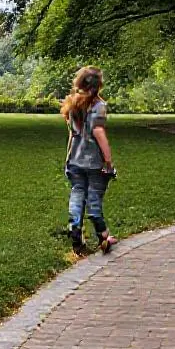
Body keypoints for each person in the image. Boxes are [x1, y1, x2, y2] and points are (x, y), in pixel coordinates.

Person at [61, 66, 118, 254]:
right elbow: (98, 131)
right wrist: (108, 161)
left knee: (77, 193)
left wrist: (68, 158)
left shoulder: (72, 105)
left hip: (75, 160)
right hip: (94, 162)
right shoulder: (98, 106)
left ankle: (75, 227)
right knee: (94, 200)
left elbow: (72, 134)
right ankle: (103, 237)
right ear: (98, 85)